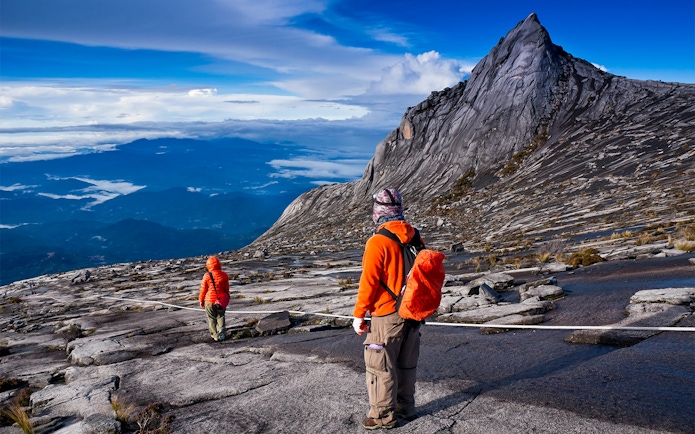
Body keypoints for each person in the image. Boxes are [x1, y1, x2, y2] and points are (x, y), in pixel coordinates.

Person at [352, 188, 424, 430]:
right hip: (412, 314)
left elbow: (369, 282)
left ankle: (382, 416)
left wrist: (358, 314)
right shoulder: (416, 239)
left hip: (386, 315)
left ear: (377, 212)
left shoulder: (378, 242)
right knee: (406, 364)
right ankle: (407, 407)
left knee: (379, 366)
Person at [199, 256, 230, 342]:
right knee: (220, 316)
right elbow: (226, 289)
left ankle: (215, 335)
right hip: (220, 301)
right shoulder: (224, 275)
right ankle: (221, 332)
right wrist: (226, 299)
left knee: (211, 318)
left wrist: (201, 300)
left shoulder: (206, 276)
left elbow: (203, 290)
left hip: (209, 301)